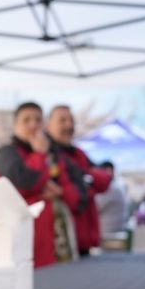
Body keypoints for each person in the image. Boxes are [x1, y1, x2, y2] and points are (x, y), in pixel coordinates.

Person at [0, 102, 78, 267]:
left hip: (52, 245)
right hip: (19, 242)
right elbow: (25, 183)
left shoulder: (54, 155)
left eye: (38, 120)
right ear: (16, 125)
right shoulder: (7, 153)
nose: (33, 125)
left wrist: (60, 191)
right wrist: (39, 154)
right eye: (26, 120)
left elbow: (74, 189)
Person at [46, 105, 113, 255]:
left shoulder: (78, 153)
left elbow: (104, 180)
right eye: (62, 121)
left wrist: (84, 178)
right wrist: (86, 180)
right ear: (48, 125)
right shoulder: (47, 155)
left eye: (71, 120)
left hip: (84, 242)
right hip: (62, 244)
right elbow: (74, 198)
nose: (68, 125)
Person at [95, 161, 129, 235]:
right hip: (113, 231)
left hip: (108, 233)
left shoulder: (111, 188)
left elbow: (96, 207)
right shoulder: (116, 187)